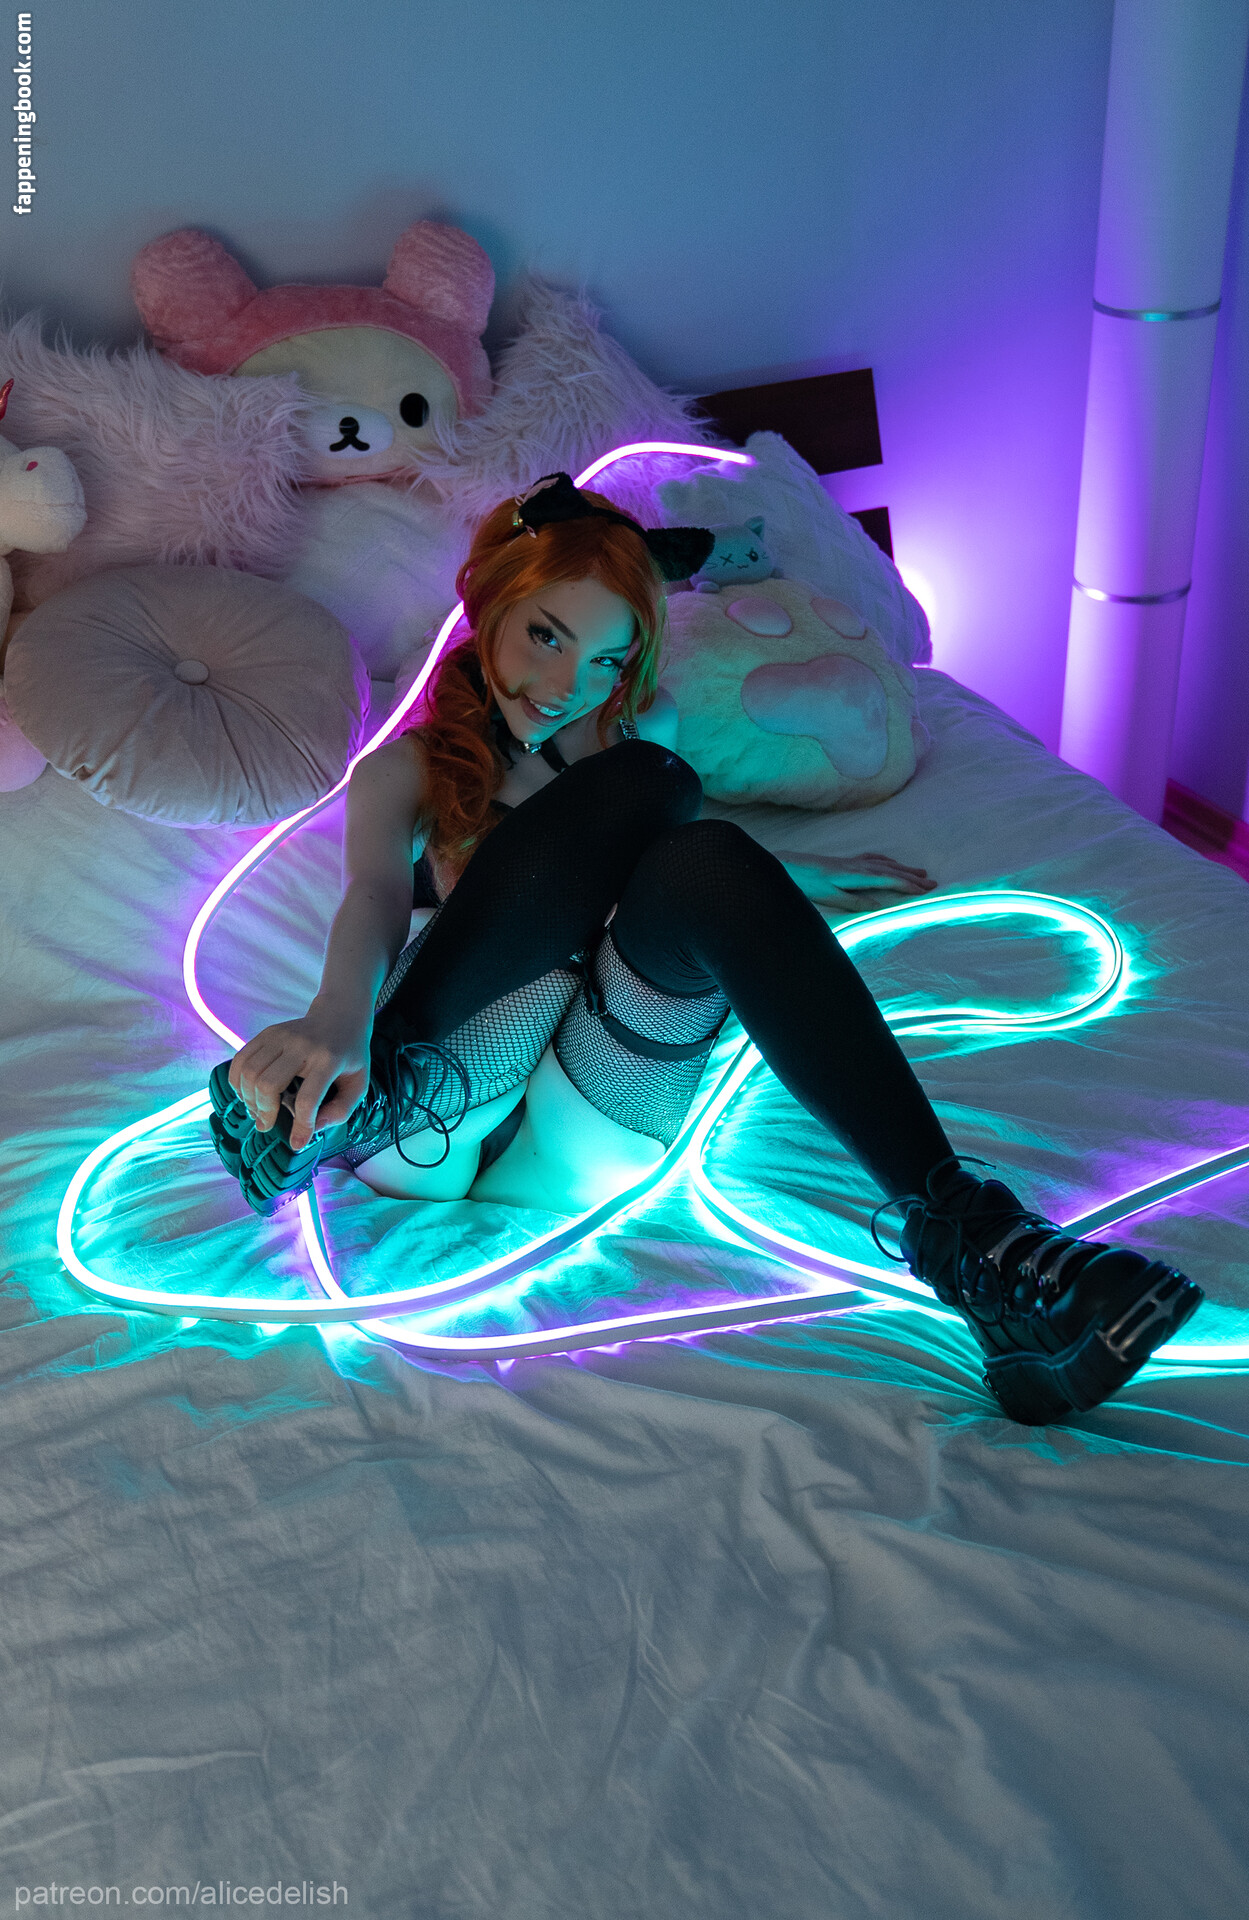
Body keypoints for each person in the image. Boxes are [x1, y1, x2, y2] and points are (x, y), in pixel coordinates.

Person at [209, 472, 1202, 1426]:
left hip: (571, 1142)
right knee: (648, 789)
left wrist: (784, 881)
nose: (564, 686)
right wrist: (338, 1018)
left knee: (703, 850)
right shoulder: (409, 769)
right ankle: (367, 1093)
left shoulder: (640, 734)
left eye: (604, 661)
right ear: (488, 608)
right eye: (546, 635)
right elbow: (376, 895)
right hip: (432, 1112)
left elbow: (645, 862)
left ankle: (977, 1246)